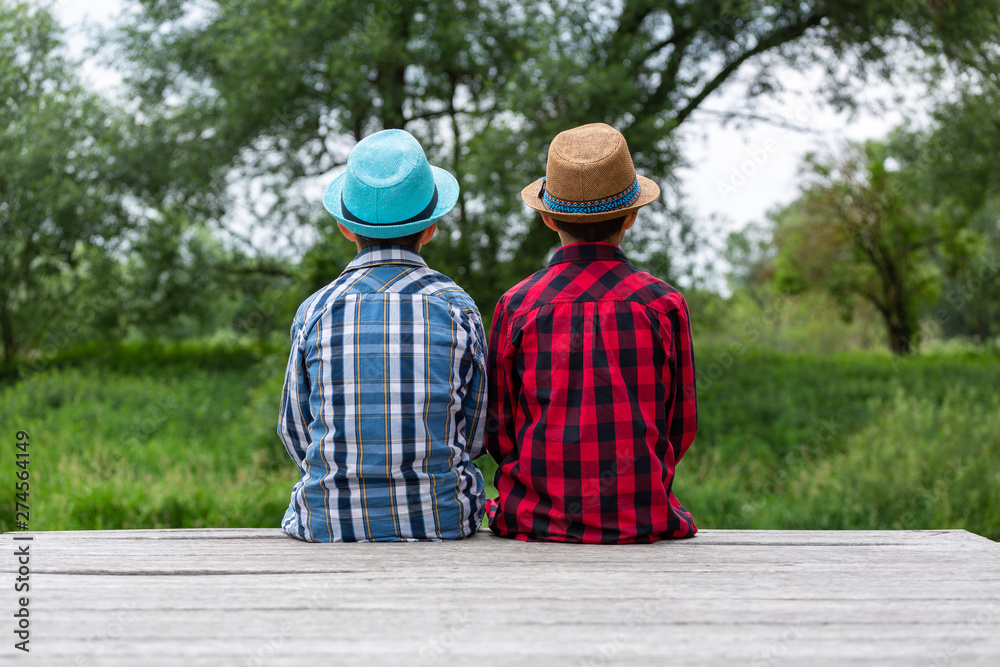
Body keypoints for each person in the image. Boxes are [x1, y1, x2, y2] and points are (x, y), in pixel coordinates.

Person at [485, 122, 698, 543]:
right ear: (633, 216)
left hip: (534, 521)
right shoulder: (663, 304)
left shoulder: (516, 306)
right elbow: (680, 425)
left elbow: (499, 430)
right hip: (643, 519)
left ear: (547, 217)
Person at [278, 129, 487, 542]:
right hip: (442, 522)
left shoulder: (315, 310)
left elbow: (295, 431)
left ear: (345, 227)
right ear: (429, 229)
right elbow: (478, 432)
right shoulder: (458, 307)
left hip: (327, 523)